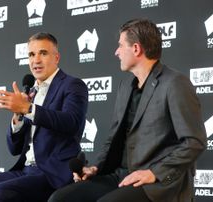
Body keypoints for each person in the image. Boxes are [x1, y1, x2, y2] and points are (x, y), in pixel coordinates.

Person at [48, 19, 207, 202]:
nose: (116, 52)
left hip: (157, 182)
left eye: (120, 46)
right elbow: (113, 138)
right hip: (122, 174)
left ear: (136, 49)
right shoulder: (126, 86)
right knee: (60, 198)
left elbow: (194, 142)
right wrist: (96, 168)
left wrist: (153, 173)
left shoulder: (175, 83)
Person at [0, 32, 88, 202]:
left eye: (43, 53)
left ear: (56, 57)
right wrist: (18, 116)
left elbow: (71, 123)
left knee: (0, 193)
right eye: (31, 54)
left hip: (54, 172)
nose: (36, 60)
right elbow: (14, 148)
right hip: (24, 169)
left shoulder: (72, 85)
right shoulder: (30, 92)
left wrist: (28, 108)